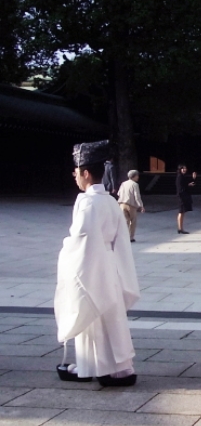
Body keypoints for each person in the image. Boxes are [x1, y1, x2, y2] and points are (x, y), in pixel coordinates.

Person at [55, 139, 140, 387]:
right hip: (109, 263)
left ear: (86, 173)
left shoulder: (88, 203)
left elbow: (82, 239)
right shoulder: (109, 201)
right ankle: (119, 368)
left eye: (76, 173)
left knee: (93, 310)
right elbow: (120, 238)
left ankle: (95, 366)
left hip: (91, 262)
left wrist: (67, 251)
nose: (75, 177)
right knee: (110, 315)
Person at [117, 169, 145, 242]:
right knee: (133, 221)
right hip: (131, 205)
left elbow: (119, 193)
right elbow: (137, 196)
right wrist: (141, 206)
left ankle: (124, 236)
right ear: (134, 176)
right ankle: (131, 237)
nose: (138, 177)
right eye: (137, 175)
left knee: (125, 221)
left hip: (122, 204)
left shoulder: (123, 183)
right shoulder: (134, 184)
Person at [176, 164, 197, 234]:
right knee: (181, 212)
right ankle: (180, 228)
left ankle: (180, 228)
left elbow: (185, 184)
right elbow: (180, 188)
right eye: (183, 168)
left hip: (183, 196)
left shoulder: (182, 176)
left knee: (182, 212)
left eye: (185, 168)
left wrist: (193, 179)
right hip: (182, 196)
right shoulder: (180, 177)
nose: (184, 169)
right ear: (180, 169)